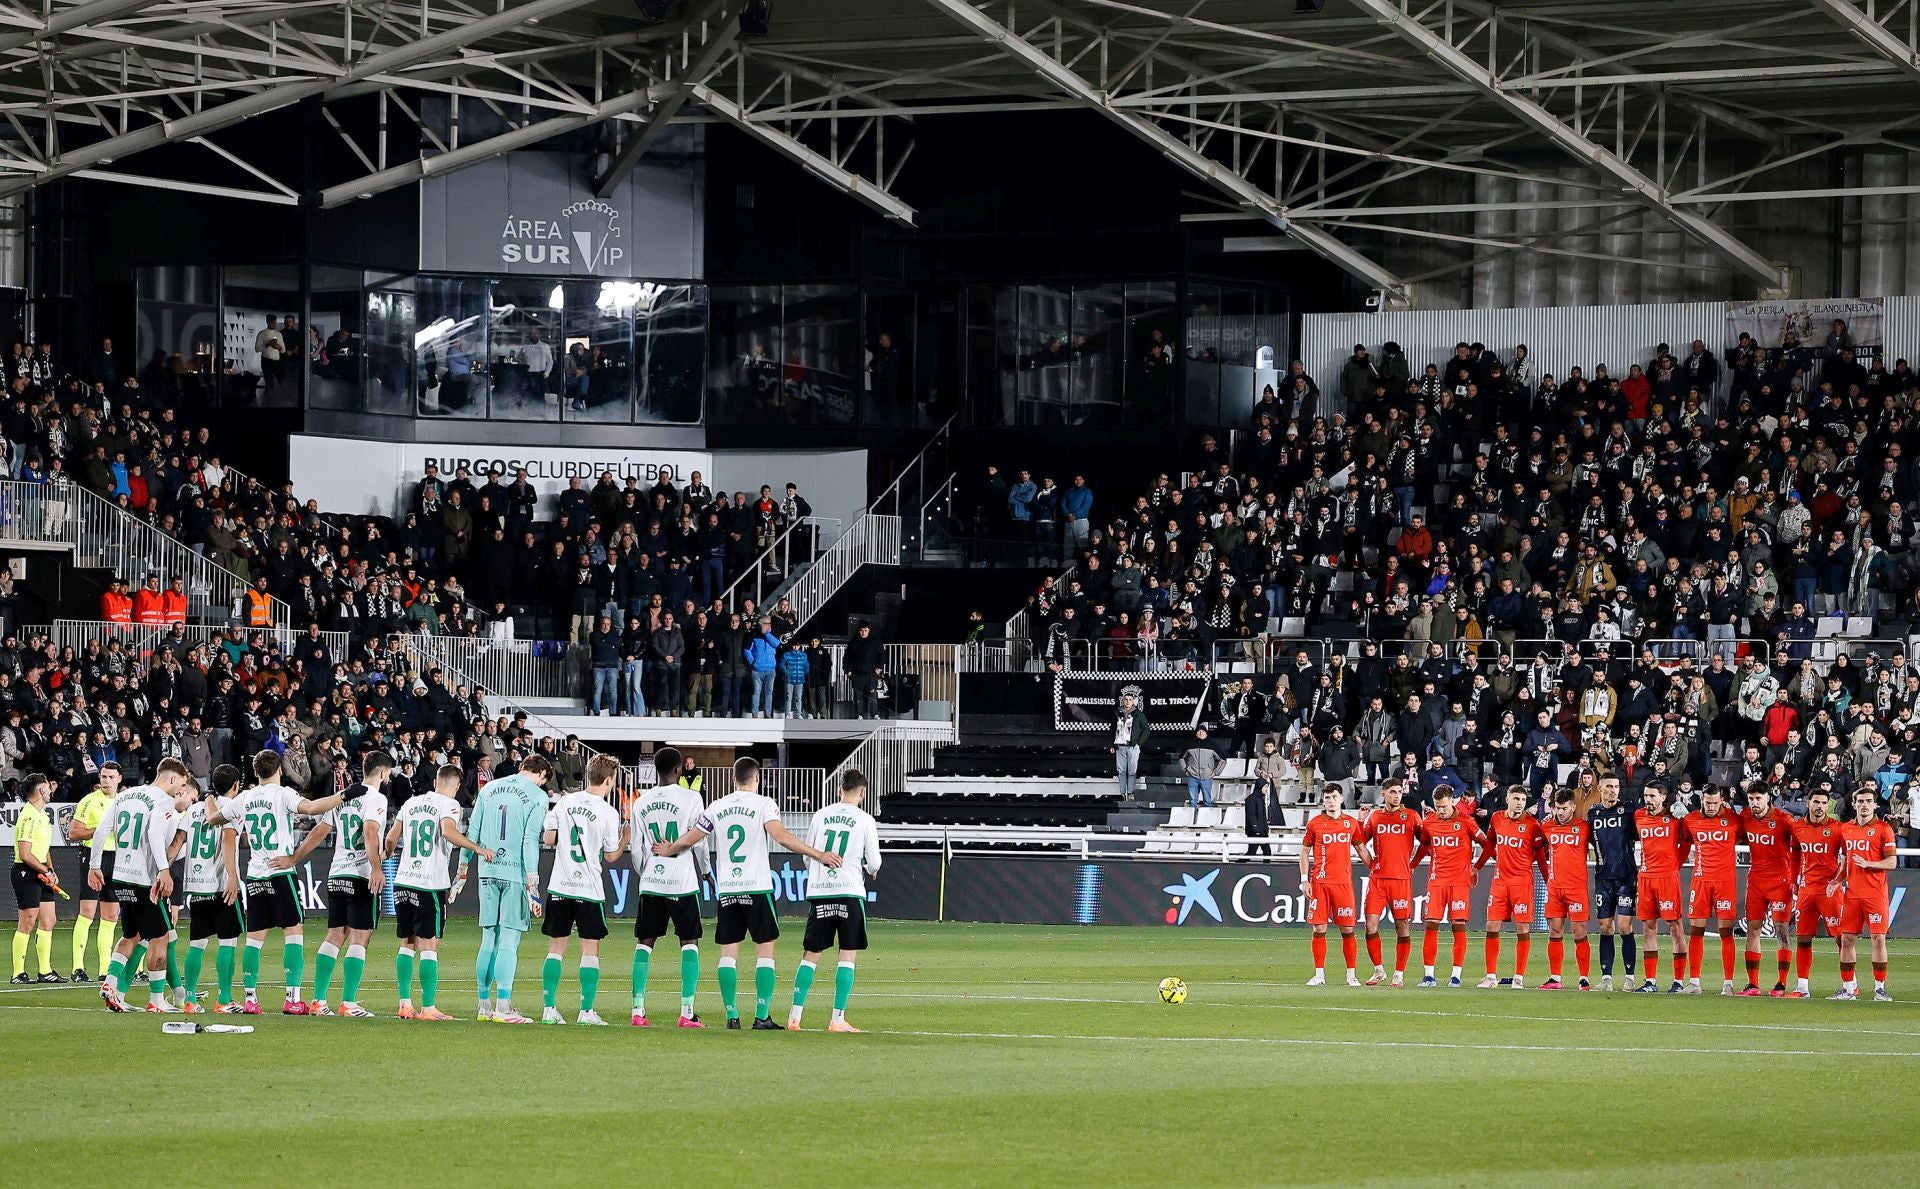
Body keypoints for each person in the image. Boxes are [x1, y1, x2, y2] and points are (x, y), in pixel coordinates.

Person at [648, 757, 842, 1029]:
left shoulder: (717, 806)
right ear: (757, 778)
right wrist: (819, 854)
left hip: (728, 890)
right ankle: (762, 1016)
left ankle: (731, 1015)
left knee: (728, 954)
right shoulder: (764, 804)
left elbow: (691, 837)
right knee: (765, 950)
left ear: (733, 779)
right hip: (757, 887)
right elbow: (781, 836)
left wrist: (669, 849)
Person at [227, 749, 346, 1014]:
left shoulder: (244, 797)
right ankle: (292, 999)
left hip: (255, 873)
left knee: (254, 940)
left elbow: (216, 818)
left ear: (255, 772)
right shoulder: (284, 794)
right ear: (280, 770)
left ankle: (250, 999)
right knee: (293, 932)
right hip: (280, 871)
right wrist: (343, 795)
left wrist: (211, 802)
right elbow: (312, 808)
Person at [387, 764, 494, 1020]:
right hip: (430, 883)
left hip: (403, 881)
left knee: (407, 943)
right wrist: (477, 848)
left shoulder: (410, 803)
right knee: (429, 944)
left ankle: (404, 1004)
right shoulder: (450, 805)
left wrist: (386, 856)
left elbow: (391, 838)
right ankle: (428, 1007)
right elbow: (447, 831)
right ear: (456, 786)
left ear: (436, 781)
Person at [90, 758, 198, 1012]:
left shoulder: (125, 795)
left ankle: (110, 983)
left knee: (131, 935)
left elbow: (101, 831)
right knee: (160, 937)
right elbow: (154, 834)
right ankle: (157, 1000)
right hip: (144, 879)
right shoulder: (163, 800)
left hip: (121, 876)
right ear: (173, 778)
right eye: (181, 784)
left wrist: (95, 866)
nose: (180, 790)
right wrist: (163, 870)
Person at [788, 768, 881, 1032]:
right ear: (863, 793)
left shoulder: (820, 815)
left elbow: (808, 855)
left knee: (811, 955)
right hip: (849, 891)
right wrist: (870, 870)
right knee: (847, 955)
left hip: (821, 892)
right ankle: (837, 1019)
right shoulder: (865, 819)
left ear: (840, 789)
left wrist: (819, 875)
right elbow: (874, 861)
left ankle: (794, 1017)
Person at [538, 753, 628, 1026]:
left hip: (561, 886)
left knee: (556, 949)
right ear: (609, 780)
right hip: (589, 889)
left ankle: (549, 1009)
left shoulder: (565, 802)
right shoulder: (608, 813)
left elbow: (549, 838)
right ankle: (586, 1012)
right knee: (590, 950)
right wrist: (625, 838)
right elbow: (611, 856)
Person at [629, 746, 710, 1028]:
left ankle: (637, 1011)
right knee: (689, 942)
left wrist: (646, 872)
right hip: (682, 882)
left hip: (652, 882)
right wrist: (706, 870)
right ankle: (687, 1012)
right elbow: (699, 840)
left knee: (645, 942)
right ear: (678, 770)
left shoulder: (641, 801)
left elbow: (636, 848)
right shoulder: (692, 798)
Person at [307, 753, 391, 1018]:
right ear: (383, 773)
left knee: (334, 935)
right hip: (360, 874)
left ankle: (318, 1001)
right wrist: (376, 868)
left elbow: (321, 831)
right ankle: (349, 1003)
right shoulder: (376, 798)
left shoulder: (342, 796)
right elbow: (370, 831)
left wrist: (295, 858)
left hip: (336, 873)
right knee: (360, 937)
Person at [471, 754, 553, 1023]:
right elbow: (530, 839)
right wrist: (533, 879)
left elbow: (473, 830)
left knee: (488, 940)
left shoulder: (490, 788)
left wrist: (462, 867)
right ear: (542, 774)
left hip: (487, 870)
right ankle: (503, 1007)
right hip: (515, 872)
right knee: (508, 940)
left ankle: (483, 1006)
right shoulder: (538, 796)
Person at [175, 764, 242, 1013]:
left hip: (196, 886)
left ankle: (190, 998)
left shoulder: (193, 809)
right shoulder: (233, 807)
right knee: (228, 942)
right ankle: (224, 999)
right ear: (236, 785)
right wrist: (233, 876)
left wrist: (163, 869)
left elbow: (178, 841)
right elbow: (228, 839)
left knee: (197, 943)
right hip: (221, 885)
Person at [1413, 784, 1484, 987]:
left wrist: (1475, 869)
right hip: (1437, 881)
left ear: (1452, 801)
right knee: (1431, 925)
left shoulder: (1466, 821)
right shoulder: (1429, 821)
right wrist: (1412, 865)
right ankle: (1429, 976)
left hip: (1459, 883)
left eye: (1444, 806)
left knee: (1458, 926)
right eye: (1437, 806)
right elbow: (1424, 845)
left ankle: (1456, 976)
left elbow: (1487, 844)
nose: (1441, 810)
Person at [1478, 784, 1547, 989]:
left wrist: (1548, 880)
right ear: (1507, 799)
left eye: (1523, 800)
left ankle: (1518, 978)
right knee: (1492, 926)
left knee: (1522, 928)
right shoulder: (1496, 818)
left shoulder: (1532, 825)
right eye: (1516, 799)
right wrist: (1476, 868)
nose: (1520, 803)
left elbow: (1540, 855)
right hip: (1500, 881)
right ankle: (1491, 976)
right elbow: (1490, 844)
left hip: (1522, 882)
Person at [1832, 788, 1897, 1002]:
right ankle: (1848, 989)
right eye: (1860, 801)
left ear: (1875, 805)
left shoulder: (1884, 829)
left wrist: (1869, 863)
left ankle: (1880, 989)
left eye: (1869, 801)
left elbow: (1892, 862)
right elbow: (1845, 860)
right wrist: (1836, 880)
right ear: (1854, 804)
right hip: (1852, 894)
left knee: (1878, 938)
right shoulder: (1846, 829)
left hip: (1875, 894)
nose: (1864, 805)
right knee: (1847, 939)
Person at [1679, 787, 1742, 995]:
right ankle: (1694, 982)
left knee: (1726, 931)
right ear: (1702, 800)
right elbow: (1685, 845)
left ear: (1722, 801)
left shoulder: (1733, 820)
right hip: (1700, 881)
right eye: (1708, 803)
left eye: (1715, 803)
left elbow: (1745, 837)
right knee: (1696, 930)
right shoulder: (1691, 820)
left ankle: (1728, 983)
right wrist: (1675, 867)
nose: (1712, 807)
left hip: (1725, 882)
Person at [1737, 785, 1797, 997]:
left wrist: (1796, 877)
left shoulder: (1784, 819)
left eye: (1758, 798)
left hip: (1780, 882)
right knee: (1753, 929)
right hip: (1755, 881)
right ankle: (1753, 984)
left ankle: (1781, 984)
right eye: (1751, 799)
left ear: (1768, 798)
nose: (1754, 803)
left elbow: (1801, 844)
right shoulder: (1745, 816)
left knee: (1781, 929)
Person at [1629, 785, 1690, 994]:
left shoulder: (1674, 816)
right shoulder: (1638, 815)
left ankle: (1678, 981)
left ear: (1663, 797)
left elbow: (1688, 839)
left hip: (1667, 879)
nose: (1648, 799)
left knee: (1675, 927)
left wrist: (1676, 865)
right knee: (1648, 928)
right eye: (1646, 795)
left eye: (1652, 796)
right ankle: (1650, 981)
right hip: (1646, 878)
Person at [66, 762, 124, 981]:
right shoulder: (89, 801)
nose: (106, 781)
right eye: (103, 777)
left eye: (111, 777)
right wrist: (100, 830)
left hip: (116, 857)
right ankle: (78, 968)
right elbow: (73, 833)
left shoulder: (123, 802)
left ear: (119, 778)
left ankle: (104, 969)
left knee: (110, 915)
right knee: (88, 911)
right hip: (93, 856)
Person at [1356, 781, 1417, 986]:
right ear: (1383, 794)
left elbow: (1427, 841)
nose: (1397, 795)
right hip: (1378, 880)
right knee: (1370, 925)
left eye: (1399, 792)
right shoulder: (1375, 817)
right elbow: (1359, 843)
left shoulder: (1411, 816)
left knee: (1402, 925)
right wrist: (1360, 821)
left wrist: (1413, 864)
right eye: (1392, 792)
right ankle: (1379, 970)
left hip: (1400, 880)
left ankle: (1399, 973)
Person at [1787, 789, 1846, 998]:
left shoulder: (1837, 828)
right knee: (1803, 938)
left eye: (1823, 803)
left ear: (1827, 805)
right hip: (1806, 890)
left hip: (1830, 891)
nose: (1819, 806)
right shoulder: (1798, 827)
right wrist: (1793, 880)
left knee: (1841, 938)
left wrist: (1837, 881)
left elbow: (1847, 858)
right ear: (1808, 803)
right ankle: (1802, 987)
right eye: (1816, 802)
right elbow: (1795, 855)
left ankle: (1850, 985)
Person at [1299, 786, 1359, 987]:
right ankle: (1319, 975)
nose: (1331, 801)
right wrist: (1304, 879)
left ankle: (1351, 976)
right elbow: (1304, 852)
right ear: (1323, 801)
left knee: (1347, 928)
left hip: (1343, 883)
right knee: (1319, 927)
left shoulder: (1351, 823)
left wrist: (1375, 867)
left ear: (1341, 798)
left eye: (1334, 797)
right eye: (1327, 798)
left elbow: (1361, 848)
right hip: (1320, 883)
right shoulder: (1315, 824)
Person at [9, 773, 62, 984]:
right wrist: (45, 871)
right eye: (48, 787)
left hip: (41, 870)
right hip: (26, 871)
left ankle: (45, 971)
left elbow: (44, 848)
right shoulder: (29, 816)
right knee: (28, 920)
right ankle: (18, 973)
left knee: (49, 920)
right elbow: (25, 854)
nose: (51, 790)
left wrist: (51, 870)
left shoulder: (42, 815)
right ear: (41, 790)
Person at [1587, 775, 1638, 991]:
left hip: (1626, 877)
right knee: (1606, 927)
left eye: (1616, 786)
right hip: (1603, 877)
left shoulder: (1629, 811)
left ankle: (1630, 977)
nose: (1613, 790)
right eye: (1609, 786)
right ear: (1600, 788)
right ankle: (1606, 978)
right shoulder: (1593, 814)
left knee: (1625, 926)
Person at [1539, 789, 1592, 991]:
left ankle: (1584, 978)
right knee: (1555, 930)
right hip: (1555, 889)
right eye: (1558, 808)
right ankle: (1555, 978)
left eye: (1564, 809)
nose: (1560, 813)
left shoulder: (1584, 827)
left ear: (1573, 807)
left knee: (1579, 931)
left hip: (1576, 888)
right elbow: (1536, 849)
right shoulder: (1547, 827)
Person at [1112, 690, 1148, 798]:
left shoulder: (1138, 714)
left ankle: (1131, 793)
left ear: (1133, 701)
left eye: (1130, 700)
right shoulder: (1117, 713)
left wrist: (1139, 743)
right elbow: (1112, 730)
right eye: (1126, 700)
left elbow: (1146, 729)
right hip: (1120, 746)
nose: (1128, 702)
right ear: (1123, 701)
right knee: (1121, 772)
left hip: (1133, 746)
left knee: (1132, 771)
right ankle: (1123, 793)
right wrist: (1112, 745)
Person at [1181, 727, 1223, 808]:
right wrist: (1185, 769)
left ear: (1206, 733)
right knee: (1192, 802)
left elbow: (1222, 760)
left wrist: (1216, 772)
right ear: (1196, 733)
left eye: (1203, 731)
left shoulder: (1212, 745)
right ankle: (1192, 815)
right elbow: (1181, 758)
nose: (1200, 733)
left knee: (1207, 801)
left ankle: (1207, 815)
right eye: (1199, 731)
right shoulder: (1189, 744)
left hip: (1206, 777)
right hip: (1192, 776)